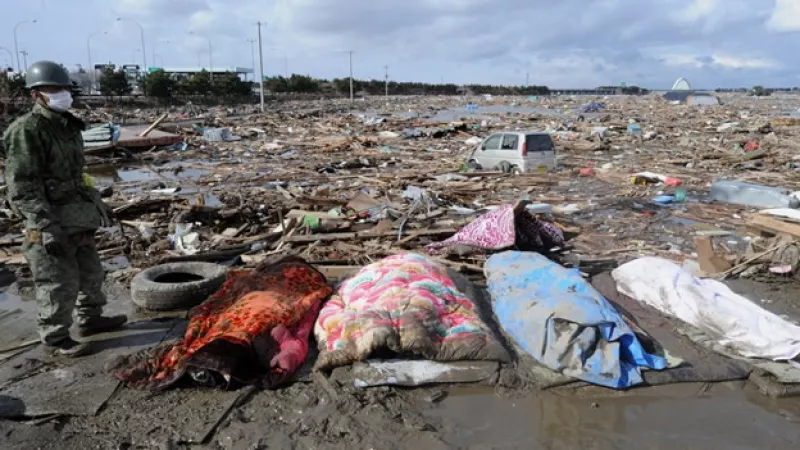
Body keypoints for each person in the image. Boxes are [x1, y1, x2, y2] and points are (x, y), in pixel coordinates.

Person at [2, 61, 126, 357]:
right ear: (36, 94)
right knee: (57, 280)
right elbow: (22, 185)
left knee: (91, 273)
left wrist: (95, 202)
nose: (62, 94)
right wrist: (43, 224)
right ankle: (56, 337)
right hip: (49, 218)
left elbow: (75, 174)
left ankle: (92, 320)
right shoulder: (27, 130)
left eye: (65, 89)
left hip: (77, 214)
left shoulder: (68, 126)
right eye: (53, 89)